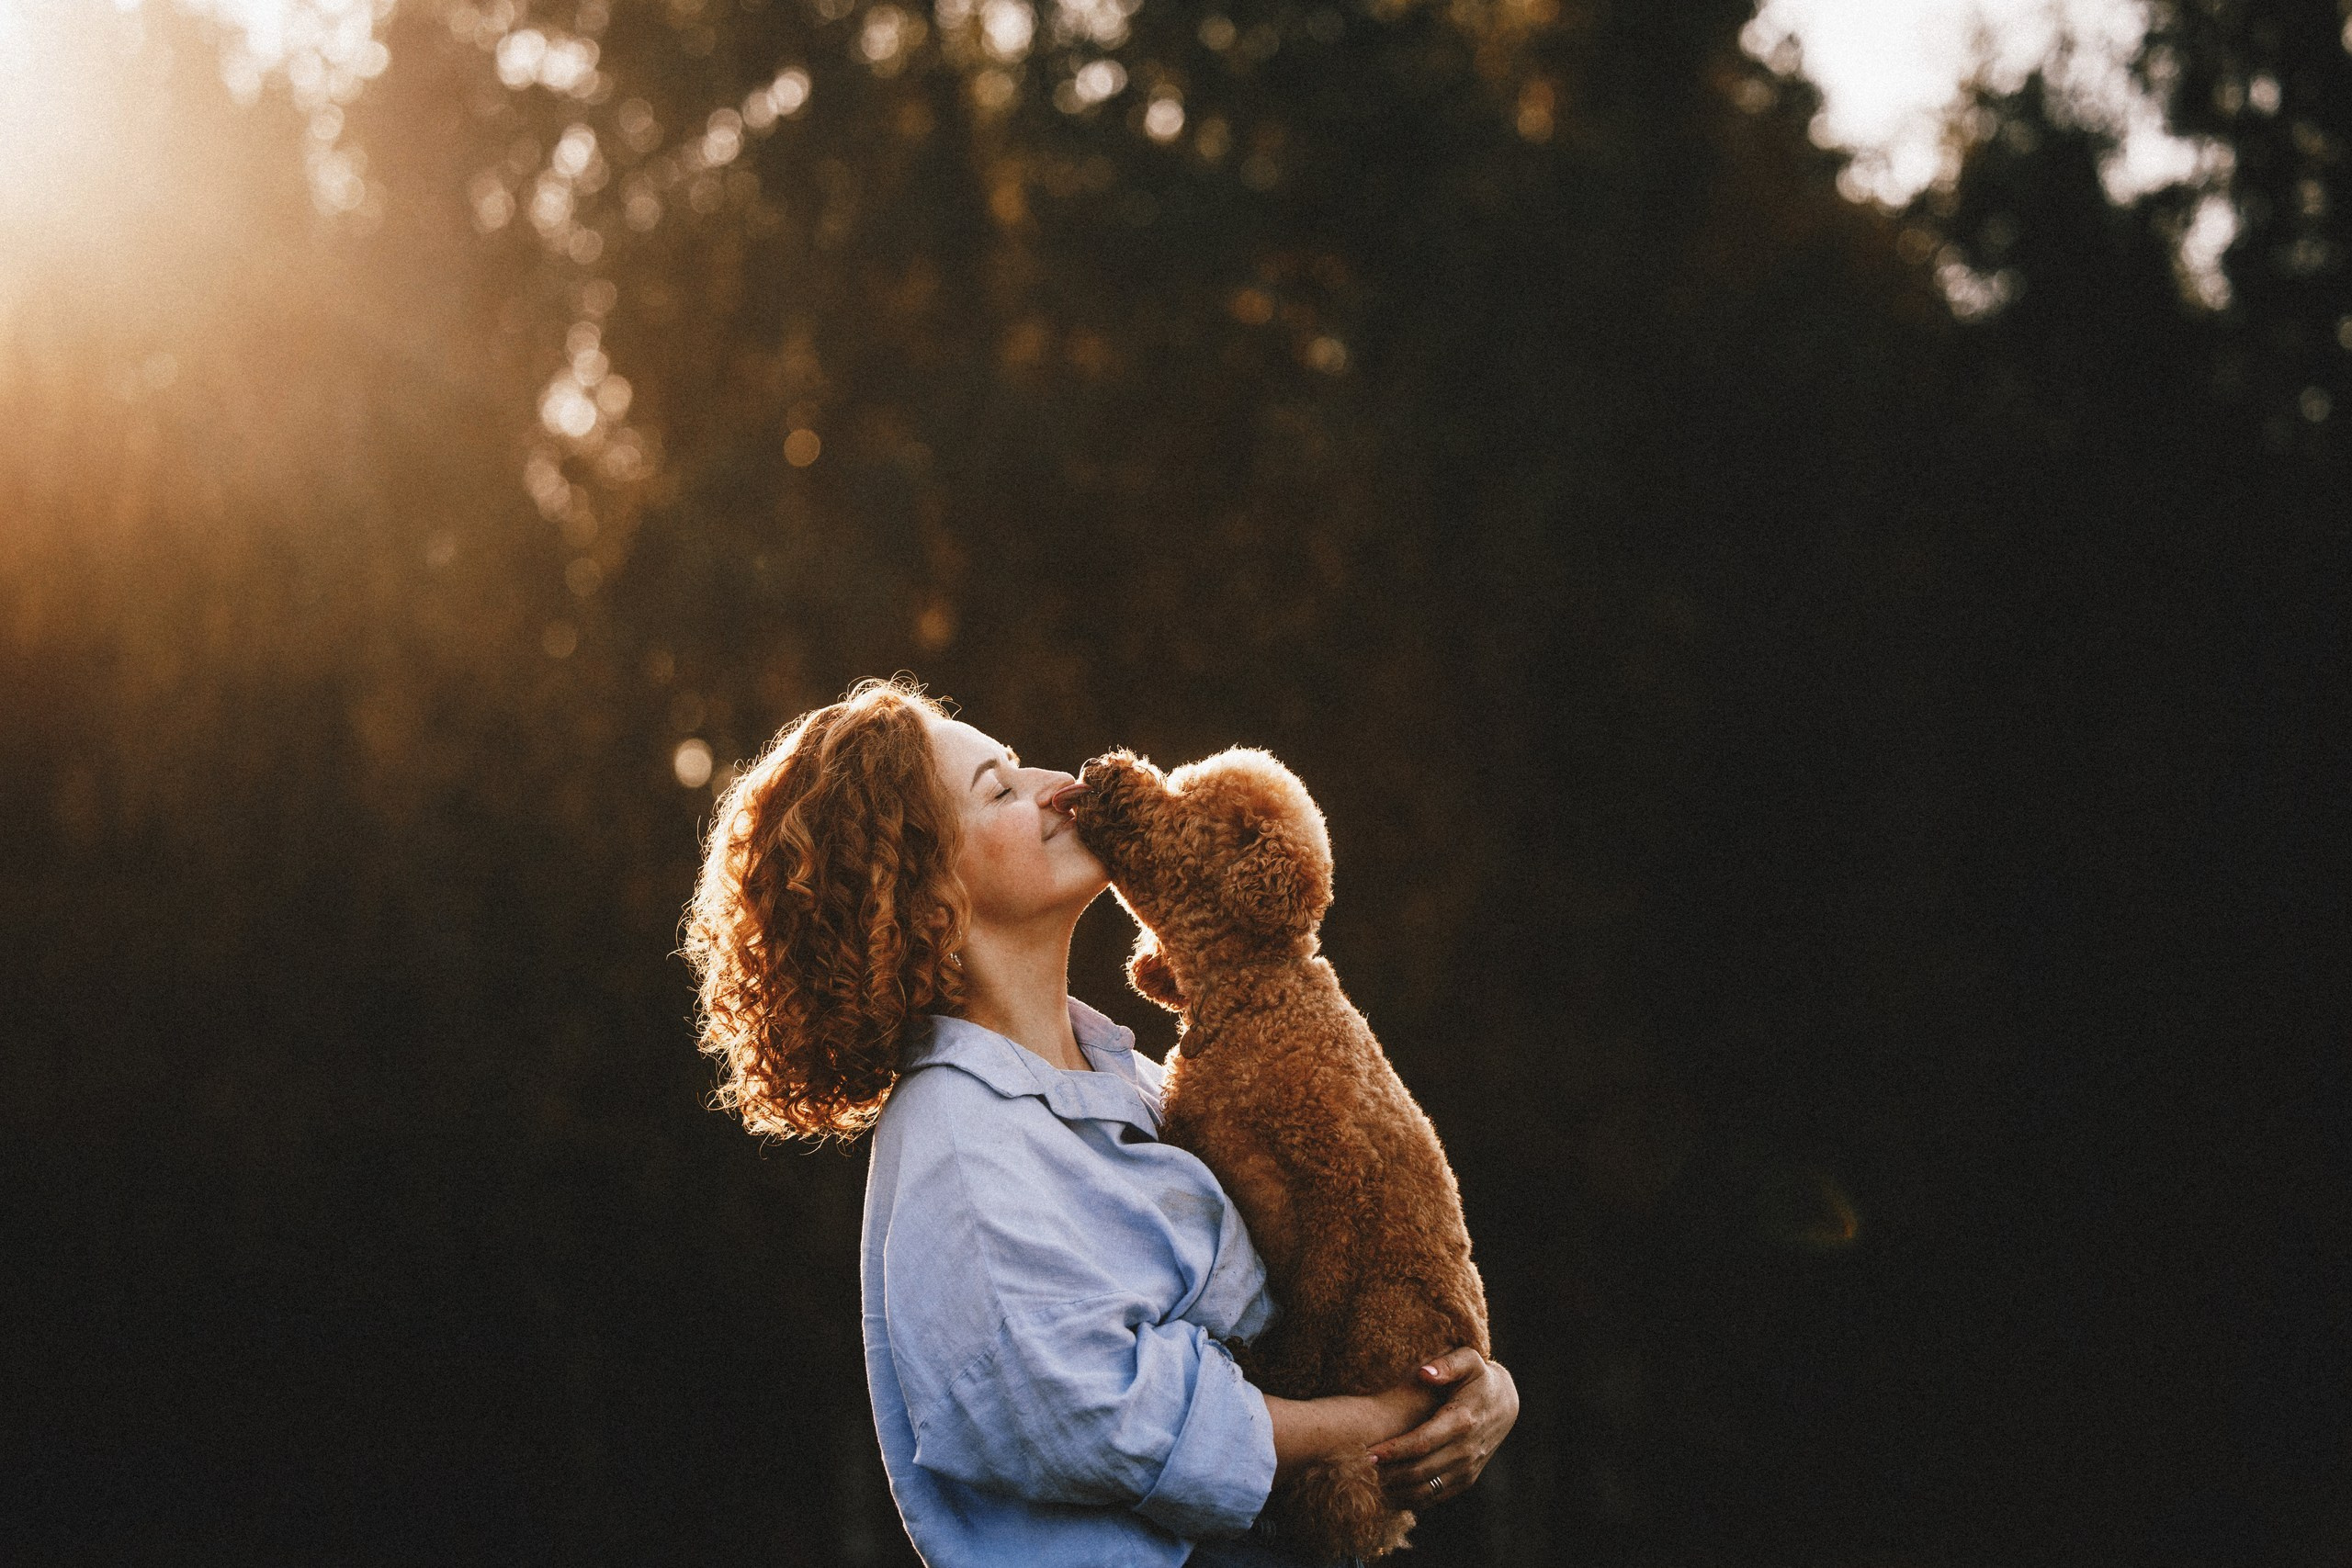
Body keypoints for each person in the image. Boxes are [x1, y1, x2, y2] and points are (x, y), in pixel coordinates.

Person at [684, 677, 1519, 1566]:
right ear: (922, 893)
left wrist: (1469, 1383)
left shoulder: (1147, 1084)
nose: (1058, 783)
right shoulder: (959, 1143)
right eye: (999, 789)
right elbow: (1082, 1415)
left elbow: (1325, 1281)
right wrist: (1380, 1421)